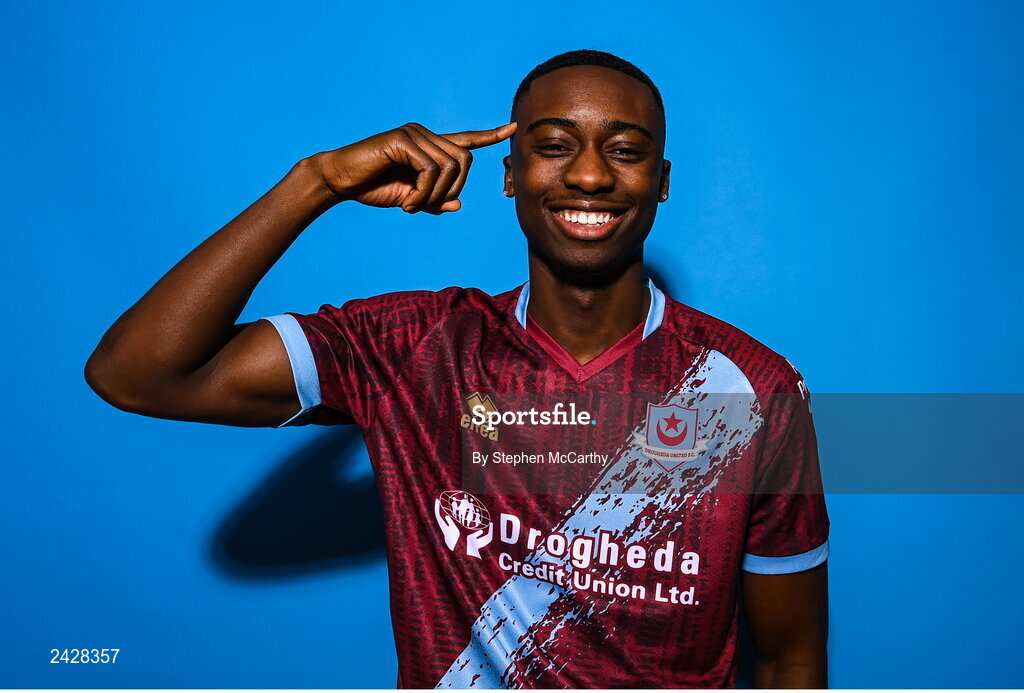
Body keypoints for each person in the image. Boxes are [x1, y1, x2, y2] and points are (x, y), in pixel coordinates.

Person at [86, 50, 829, 688]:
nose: (592, 175)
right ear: (509, 175)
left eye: (626, 150)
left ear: (661, 182)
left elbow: (793, 658)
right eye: (556, 145)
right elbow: (138, 372)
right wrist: (316, 182)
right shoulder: (412, 348)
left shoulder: (749, 389)